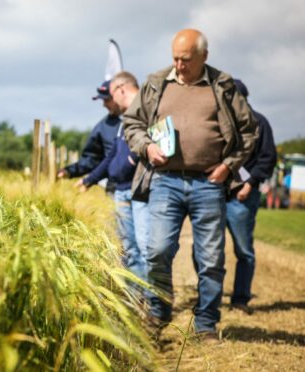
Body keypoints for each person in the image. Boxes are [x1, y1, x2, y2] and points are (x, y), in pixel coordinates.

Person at [123, 29, 258, 341]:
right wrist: (147, 148)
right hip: (164, 182)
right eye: (175, 58)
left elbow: (249, 131)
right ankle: (158, 310)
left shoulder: (222, 86)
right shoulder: (156, 83)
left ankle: (206, 323)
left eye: (186, 59)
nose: (179, 65)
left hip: (208, 185)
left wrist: (228, 165)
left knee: (211, 258)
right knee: (156, 250)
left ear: (204, 57)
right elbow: (132, 124)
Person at [75, 72, 149, 282]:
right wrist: (89, 180)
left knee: (145, 247)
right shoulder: (122, 122)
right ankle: (138, 299)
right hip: (121, 190)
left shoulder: (147, 110)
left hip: (140, 190)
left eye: (110, 96)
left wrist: (131, 161)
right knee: (129, 248)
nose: (109, 103)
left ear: (121, 89)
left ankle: (153, 300)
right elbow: (111, 157)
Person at [225, 79, 277, 314]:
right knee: (205, 249)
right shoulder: (221, 124)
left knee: (243, 250)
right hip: (217, 195)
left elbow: (268, 158)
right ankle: (209, 297)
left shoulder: (260, 123)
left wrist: (251, 182)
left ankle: (240, 299)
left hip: (243, 197)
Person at [57, 80, 121, 186]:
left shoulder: (142, 117)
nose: (104, 105)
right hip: (116, 188)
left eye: (107, 100)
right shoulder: (102, 127)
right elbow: (92, 159)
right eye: (103, 100)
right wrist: (69, 171)